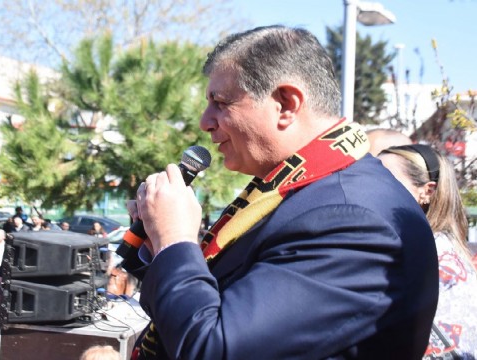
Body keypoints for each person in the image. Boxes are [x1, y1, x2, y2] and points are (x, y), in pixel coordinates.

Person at [125, 25, 439, 359]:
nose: (205, 121)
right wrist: (159, 246)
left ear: (286, 104)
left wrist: (176, 241)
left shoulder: (350, 218)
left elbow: (214, 348)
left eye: (220, 102)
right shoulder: (299, 191)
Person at [378, 144, 477, 357]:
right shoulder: (440, 243)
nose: (371, 187)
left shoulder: (427, 251)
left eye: (385, 180)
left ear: (427, 191)